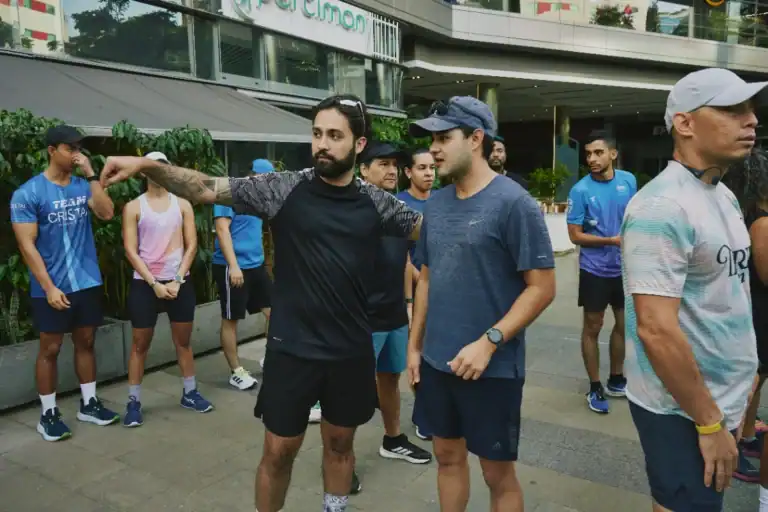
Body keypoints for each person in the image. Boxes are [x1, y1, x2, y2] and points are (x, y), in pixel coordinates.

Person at [98, 94, 422, 512]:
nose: (322, 143)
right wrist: (145, 165)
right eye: (317, 133)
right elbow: (203, 187)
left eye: (335, 135)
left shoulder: (376, 203)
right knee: (278, 449)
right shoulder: (284, 189)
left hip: (351, 348)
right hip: (292, 348)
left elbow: (429, 230)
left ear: (359, 145)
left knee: (340, 444)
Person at [621, 68, 762, 512]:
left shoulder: (722, 196)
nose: (751, 119)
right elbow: (656, 331)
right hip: (682, 410)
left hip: (719, 401)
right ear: (684, 123)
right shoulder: (661, 206)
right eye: (732, 109)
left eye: (751, 108)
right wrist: (707, 423)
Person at [407, 97, 556, 512]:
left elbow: (542, 287)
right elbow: (427, 278)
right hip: (437, 363)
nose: (434, 149)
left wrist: (489, 341)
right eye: (432, 139)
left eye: (444, 138)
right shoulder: (435, 204)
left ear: (476, 139)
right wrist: (415, 346)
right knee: (447, 458)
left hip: (492, 368)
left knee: (497, 474)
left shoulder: (514, 203)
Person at [10, 125, 120, 442]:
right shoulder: (27, 193)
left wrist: (91, 175)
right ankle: (48, 414)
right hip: (52, 285)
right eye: (69, 148)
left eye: (78, 148)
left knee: (86, 342)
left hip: (85, 281)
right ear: (51, 150)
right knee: (51, 348)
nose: (76, 154)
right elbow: (26, 245)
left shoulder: (83, 186)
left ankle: (89, 404)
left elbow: (107, 212)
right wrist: (48, 288)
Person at [122, 151, 213, 427]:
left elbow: (192, 244)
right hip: (145, 284)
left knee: (183, 342)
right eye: (153, 167)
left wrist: (176, 279)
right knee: (140, 344)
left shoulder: (182, 204)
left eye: (163, 168)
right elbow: (130, 249)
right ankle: (134, 401)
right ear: (143, 172)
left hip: (178, 283)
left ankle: (190, 392)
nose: (158, 172)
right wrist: (154, 283)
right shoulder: (134, 207)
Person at [357, 141, 432, 466]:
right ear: (363, 169)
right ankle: (340, 461)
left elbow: (402, 261)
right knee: (350, 391)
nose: (390, 171)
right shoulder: (353, 209)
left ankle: (393, 439)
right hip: (361, 318)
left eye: (393, 165)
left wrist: (409, 303)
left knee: (390, 377)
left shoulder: (398, 209)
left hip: (394, 313)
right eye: (382, 164)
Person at [566, 130, 637, 414]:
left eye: (598, 153)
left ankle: (616, 378)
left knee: (624, 325)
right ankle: (595, 387)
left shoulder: (629, 181)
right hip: (595, 270)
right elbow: (574, 235)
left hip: (625, 269)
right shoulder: (580, 190)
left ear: (613, 154)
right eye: (588, 154)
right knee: (593, 327)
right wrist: (610, 240)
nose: (592, 159)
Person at [724, 150, 768, 484]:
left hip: (757, 308)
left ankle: (748, 433)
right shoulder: (761, 221)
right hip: (761, 310)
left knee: (758, 376)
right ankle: (735, 442)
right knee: (752, 378)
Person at [213, 158, 273, 393]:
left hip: (256, 266)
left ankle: (270, 359)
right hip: (232, 266)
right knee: (231, 319)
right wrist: (234, 265)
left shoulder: (260, 198)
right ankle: (236, 371)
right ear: (253, 175)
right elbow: (221, 229)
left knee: (275, 313)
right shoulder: (229, 194)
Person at [396, 147, 435, 441]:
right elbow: (403, 258)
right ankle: (423, 413)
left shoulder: (443, 202)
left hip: (443, 292)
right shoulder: (400, 204)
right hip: (413, 290)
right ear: (408, 172)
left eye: (432, 167)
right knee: (416, 352)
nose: (429, 173)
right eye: (422, 168)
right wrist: (424, 282)